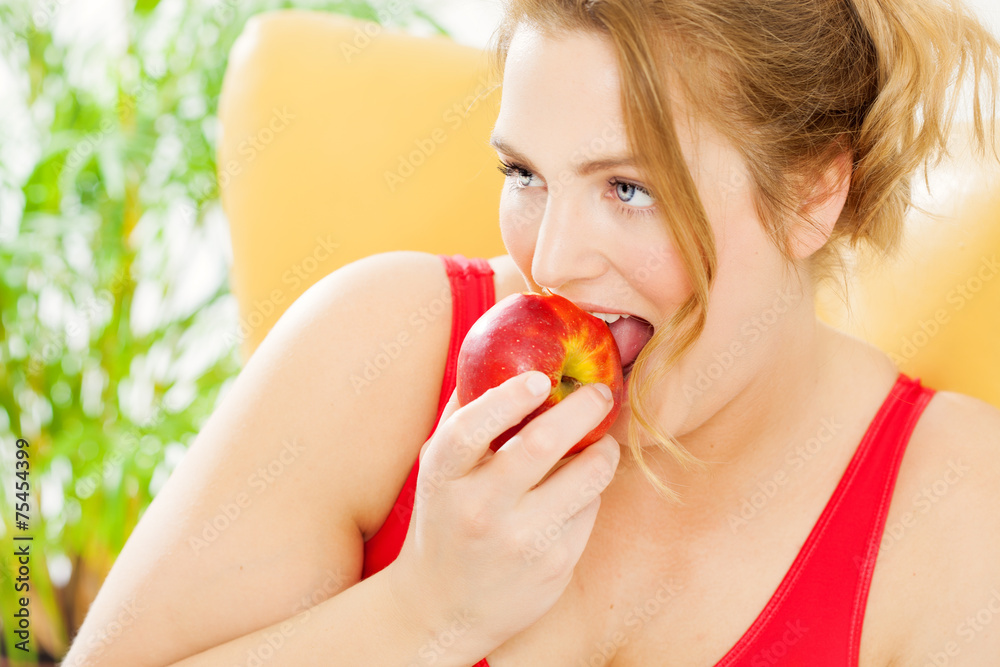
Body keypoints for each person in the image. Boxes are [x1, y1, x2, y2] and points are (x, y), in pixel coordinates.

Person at [63, 0, 1000, 665]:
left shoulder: (958, 509)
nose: (550, 261)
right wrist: (422, 611)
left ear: (811, 193)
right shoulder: (380, 349)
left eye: (628, 188)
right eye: (524, 174)